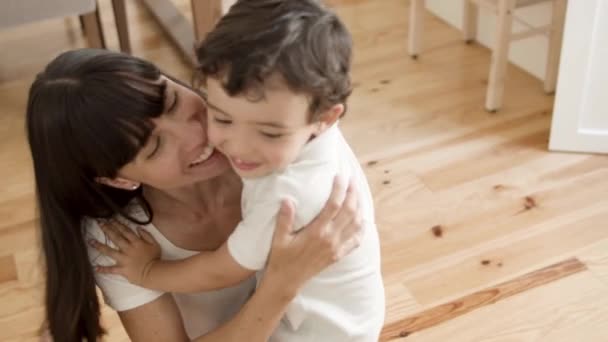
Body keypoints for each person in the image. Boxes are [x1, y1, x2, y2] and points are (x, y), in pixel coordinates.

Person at [26, 48, 364, 342]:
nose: (195, 133)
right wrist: (282, 285)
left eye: (172, 101)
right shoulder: (118, 241)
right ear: (117, 180)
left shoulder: (277, 134)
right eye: (156, 146)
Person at [94, 1, 386, 341]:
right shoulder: (305, 121)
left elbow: (223, 270)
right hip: (353, 314)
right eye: (221, 118)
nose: (239, 146)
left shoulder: (287, 194)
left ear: (326, 118)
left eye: (269, 133)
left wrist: (148, 272)